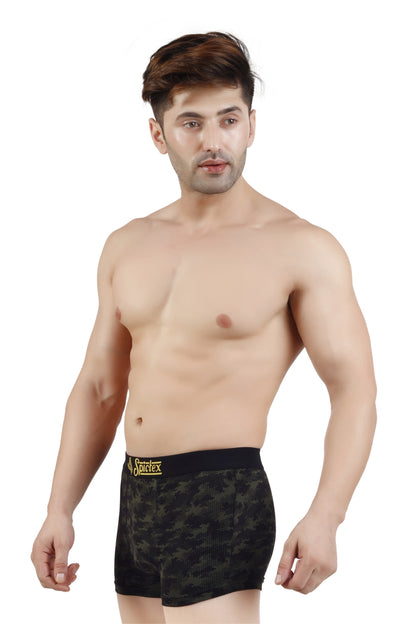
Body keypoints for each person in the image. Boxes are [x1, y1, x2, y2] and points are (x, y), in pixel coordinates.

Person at [31, 32, 377, 624]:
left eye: (229, 119)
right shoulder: (128, 244)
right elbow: (100, 387)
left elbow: (355, 390)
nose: (214, 141)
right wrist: (59, 508)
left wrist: (327, 515)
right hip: (137, 493)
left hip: (221, 492)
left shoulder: (301, 247)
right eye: (191, 123)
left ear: (251, 126)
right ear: (158, 134)